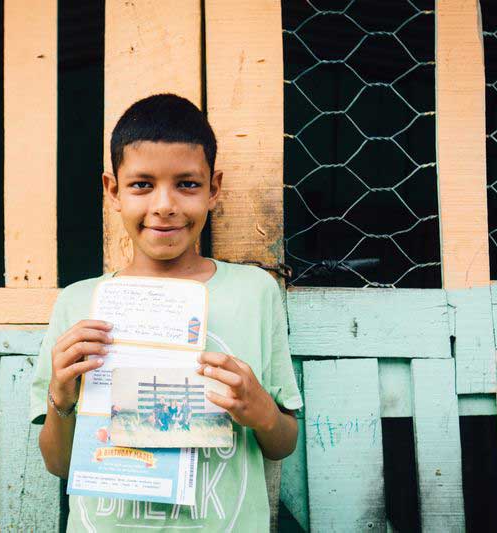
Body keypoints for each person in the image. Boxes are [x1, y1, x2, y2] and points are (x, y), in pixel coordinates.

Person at [29, 93, 302, 530]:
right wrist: (62, 396)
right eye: (142, 185)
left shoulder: (254, 293)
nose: (164, 205)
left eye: (187, 184)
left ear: (214, 190)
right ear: (112, 191)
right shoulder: (79, 303)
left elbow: (282, 443)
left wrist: (262, 412)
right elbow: (59, 465)